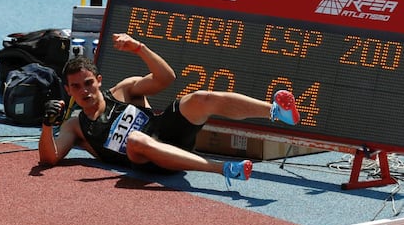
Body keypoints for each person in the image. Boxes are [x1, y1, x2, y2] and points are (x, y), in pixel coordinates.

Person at [38, 33, 300, 186]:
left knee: (200, 98)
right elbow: (50, 159)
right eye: (76, 86)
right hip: (146, 158)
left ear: (99, 81)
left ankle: (276, 111)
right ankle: (224, 169)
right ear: (69, 90)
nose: (84, 91)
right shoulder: (75, 125)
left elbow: (166, 79)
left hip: (168, 132)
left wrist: (139, 48)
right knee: (136, 139)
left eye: (88, 83)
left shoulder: (124, 90)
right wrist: (48, 125)